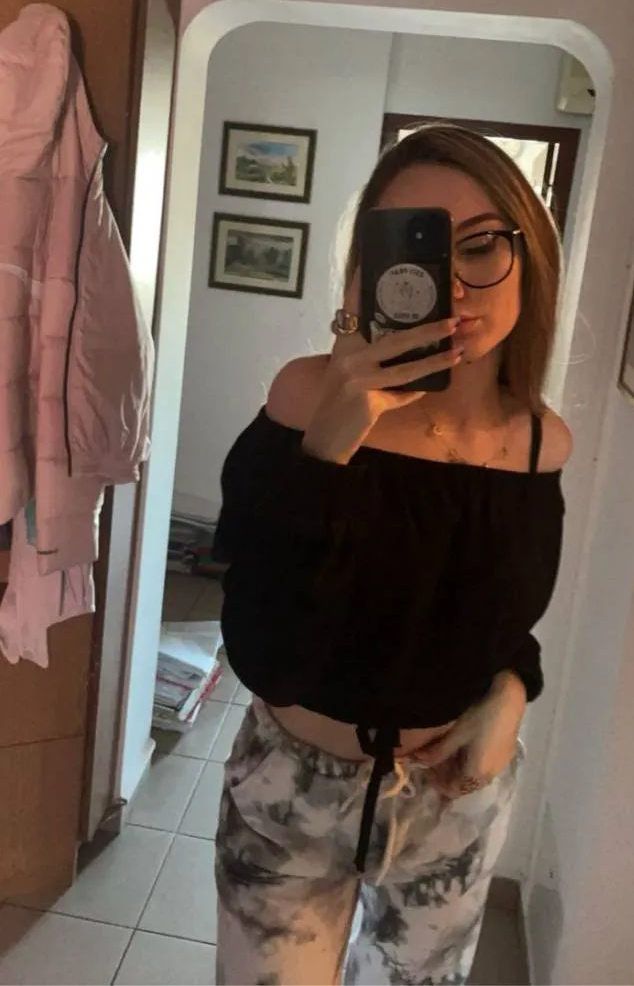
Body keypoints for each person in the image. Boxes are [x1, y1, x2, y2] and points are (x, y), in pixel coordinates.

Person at [213, 124, 571, 986]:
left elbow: (497, 616)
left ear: (530, 255)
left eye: (481, 243)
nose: (454, 282)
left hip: (452, 803)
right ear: (370, 267)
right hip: (292, 796)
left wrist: (514, 687)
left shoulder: (539, 444)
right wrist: (328, 451)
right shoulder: (305, 398)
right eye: (418, 246)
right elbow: (266, 653)